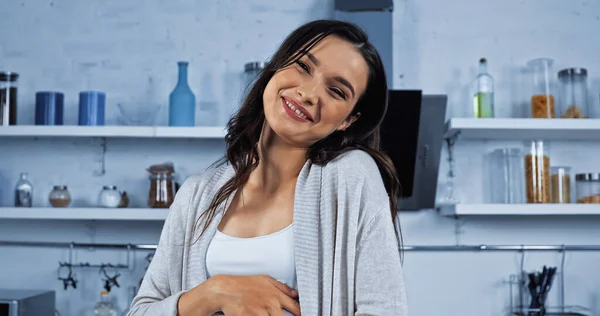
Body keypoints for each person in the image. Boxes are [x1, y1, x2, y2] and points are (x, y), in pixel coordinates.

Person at [128, 19, 409, 316]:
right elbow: (140, 311)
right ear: (276, 66)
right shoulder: (197, 195)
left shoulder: (352, 177)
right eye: (303, 66)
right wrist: (214, 292)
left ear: (348, 120)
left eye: (336, 91)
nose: (308, 93)